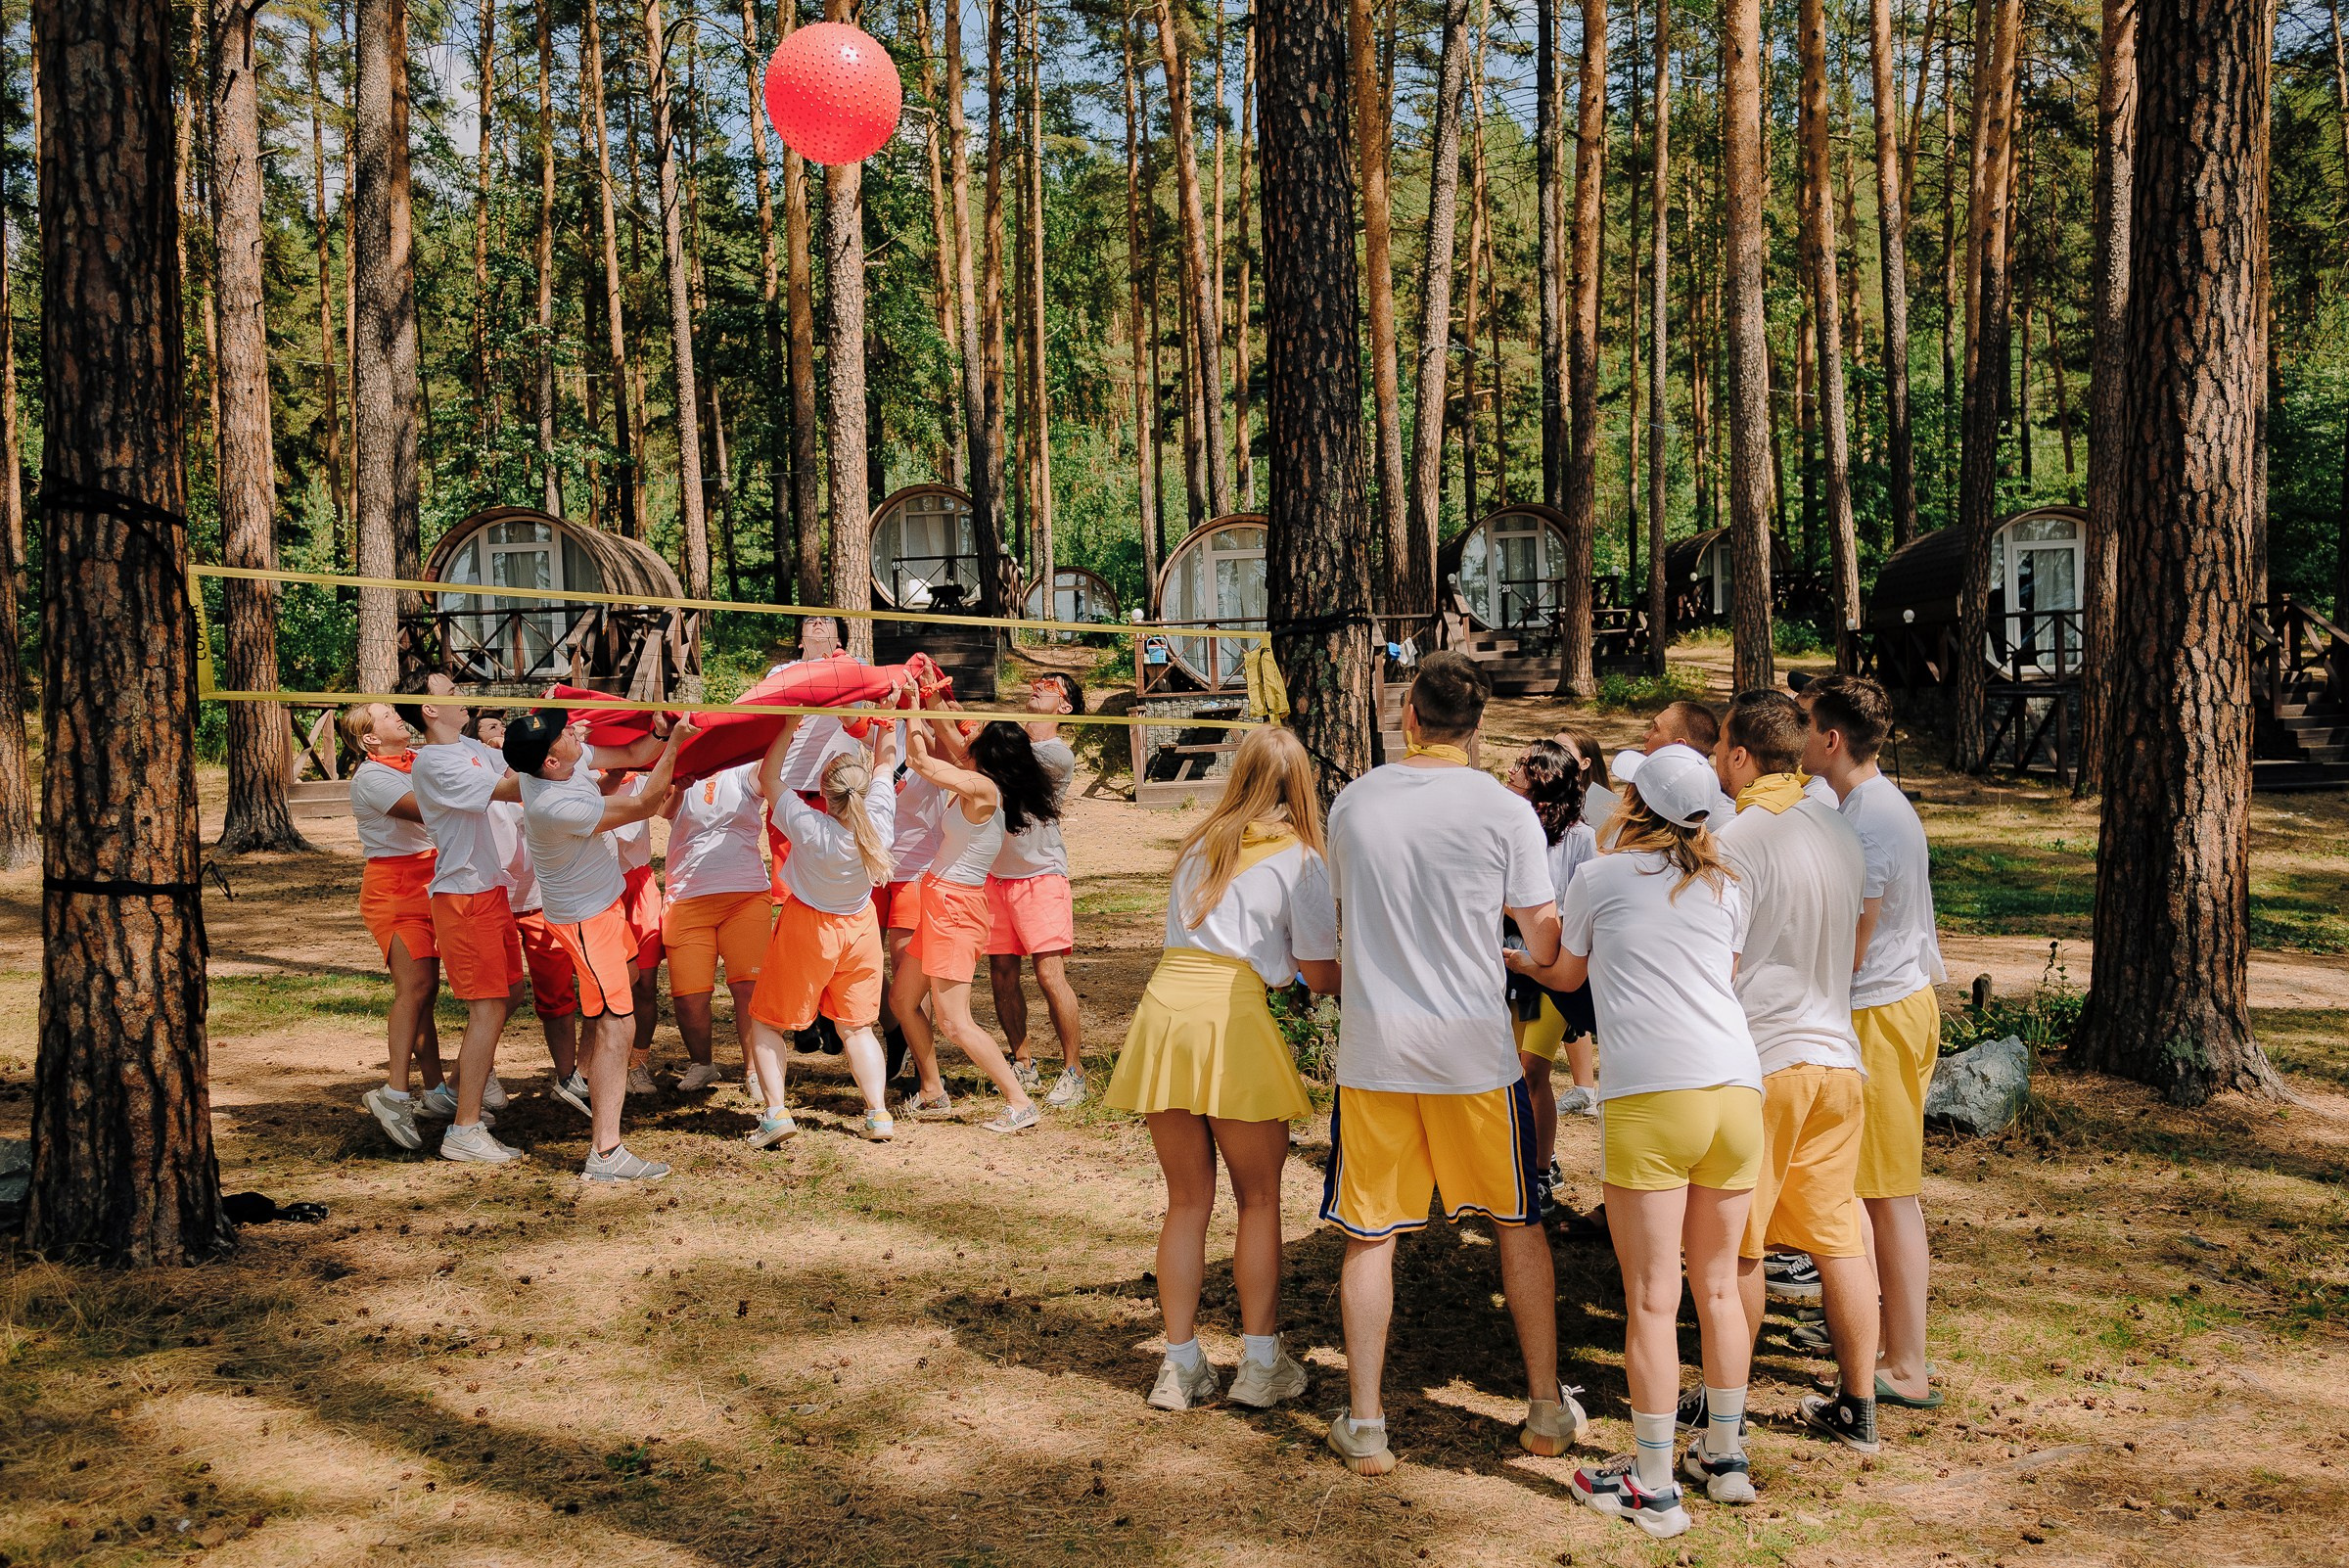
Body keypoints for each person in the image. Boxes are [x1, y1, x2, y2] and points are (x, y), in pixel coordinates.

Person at [1319, 651, 1587, 1478]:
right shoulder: (1504, 811)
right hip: (1473, 1049)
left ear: (1409, 716)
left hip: (1376, 1050)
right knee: (1518, 1222)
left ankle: (1366, 1422)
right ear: (1477, 729)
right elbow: (1543, 936)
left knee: (1370, 1237)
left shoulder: (1354, 802)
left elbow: (1341, 911)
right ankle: (1544, 1407)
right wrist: (1517, 955)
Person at [1511, 742, 1760, 1542]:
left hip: (1655, 1093)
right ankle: (1724, 1455)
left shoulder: (1602, 875)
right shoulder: (1728, 881)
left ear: (1632, 802)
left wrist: (1512, 956)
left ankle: (1652, 1482)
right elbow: (1715, 973)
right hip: (1737, 1088)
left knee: (1654, 1297)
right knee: (1718, 1287)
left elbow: (1566, 972)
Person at [1106, 726, 1340, 1412]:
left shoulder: (1197, 847)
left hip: (1165, 1013)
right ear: (1301, 787)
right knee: (1259, 1200)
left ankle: (1177, 1366)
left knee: (1186, 1201)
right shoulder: (1300, 859)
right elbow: (1320, 974)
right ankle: (1261, 1363)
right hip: (1232, 1016)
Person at [1707, 692, 1882, 1473]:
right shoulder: (1840, 829)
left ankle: (1728, 1417)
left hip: (1767, 1056)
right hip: (1840, 1057)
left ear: (1741, 755)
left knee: (1740, 1246)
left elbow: (1722, 958)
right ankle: (1859, 1404)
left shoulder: (1735, 838)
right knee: (1839, 1240)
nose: (1716, 762)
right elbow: (1853, 941)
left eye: (1719, 749)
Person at [1800, 673, 1948, 1412]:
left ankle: (1908, 1363)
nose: (1796, 740)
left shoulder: (1870, 823)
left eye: (1804, 726)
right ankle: (1876, 1333)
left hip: (1883, 1014)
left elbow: (1850, 948)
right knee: (1865, 1188)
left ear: (1831, 739)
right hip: (1883, 1009)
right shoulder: (1863, 807)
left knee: (1888, 1196)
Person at [502, 709, 699, 1181]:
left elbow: (634, 755)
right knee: (619, 1023)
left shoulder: (564, 762)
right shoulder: (552, 803)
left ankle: (582, 1078)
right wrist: (679, 745)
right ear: (549, 762)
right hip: (585, 919)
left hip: (604, 905)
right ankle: (606, 1153)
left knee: (624, 986)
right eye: (564, 733)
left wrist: (658, 734)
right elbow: (646, 803)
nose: (574, 731)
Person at [741, 712, 902, 1144]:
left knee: (766, 1022)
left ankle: (776, 1114)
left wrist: (790, 723)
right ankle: (879, 1116)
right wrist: (888, 718)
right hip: (860, 927)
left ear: (825, 797)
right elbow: (887, 761)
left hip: (809, 926)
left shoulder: (811, 827)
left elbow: (766, 777)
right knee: (858, 1028)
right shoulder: (880, 821)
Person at [403, 676, 535, 1163]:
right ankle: (463, 1130)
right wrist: (550, 743)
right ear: (428, 709)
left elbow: (518, 766)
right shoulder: (434, 762)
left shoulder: (466, 746)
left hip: (490, 888)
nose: (461, 694)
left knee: (511, 994)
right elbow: (512, 785)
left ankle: (461, 1090)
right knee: (487, 1006)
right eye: (448, 690)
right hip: (463, 897)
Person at [897, 719, 1043, 1132]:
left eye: (976, 734)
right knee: (903, 1001)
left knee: (955, 1022)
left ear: (990, 750)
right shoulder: (978, 783)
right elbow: (934, 750)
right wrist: (922, 709)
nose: (968, 736)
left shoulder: (983, 789)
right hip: (940, 904)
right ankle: (932, 1093)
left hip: (956, 910)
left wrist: (910, 709)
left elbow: (919, 762)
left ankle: (1019, 1101)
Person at [345, 702, 450, 1149]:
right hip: (394, 887)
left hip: (431, 880)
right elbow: (432, 810)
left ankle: (437, 1089)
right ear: (370, 737)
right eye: (386, 716)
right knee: (415, 988)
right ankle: (394, 1093)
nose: (397, 718)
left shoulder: (416, 760)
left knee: (428, 988)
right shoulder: (371, 778)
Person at [472, 713, 587, 1119]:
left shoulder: (537, 771)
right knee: (497, 996)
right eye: (489, 728)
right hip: (493, 897)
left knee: (557, 993)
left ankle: (568, 1075)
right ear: (476, 741)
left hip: (538, 897)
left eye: (504, 728)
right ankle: (480, 1073)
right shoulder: (478, 771)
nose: (499, 732)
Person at [1501, 739, 1598, 1215]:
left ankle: (1539, 1172)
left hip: (1556, 970)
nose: (1513, 769)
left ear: (1545, 782)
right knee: (1515, 1069)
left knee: (1533, 1066)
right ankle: (1527, 1159)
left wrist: (1528, 913)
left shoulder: (1581, 837)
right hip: (1513, 967)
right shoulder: (1505, 827)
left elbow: (1580, 908)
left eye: (1525, 765)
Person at [988, 673, 1086, 1107]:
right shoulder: (1010, 743)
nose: (1037, 686)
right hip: (995, 877)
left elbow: (995, 762)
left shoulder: (1057, 754)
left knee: (1049, 975)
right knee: (1002, 974)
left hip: (1042, 875)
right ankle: (1022, 1063)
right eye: (1036, 681)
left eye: (1050, 684)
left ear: (1064, 707)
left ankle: (1073, 1072)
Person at [660, 761, 774, 1095]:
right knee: (689, 998)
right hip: (687, 898)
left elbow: (768, 774)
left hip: (746, 896)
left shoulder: (743, 772)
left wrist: (785, 725)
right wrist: (680, 784)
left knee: (748, 989)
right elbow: (658, 808)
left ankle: (755, 1070)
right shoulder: (679, 770)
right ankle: (703, 1064)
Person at [611, 772, 666, 1092]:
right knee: (611, 986)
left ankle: (637, 1062)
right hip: (604, 888)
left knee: (645, 984)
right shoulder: (586, 775)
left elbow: (666, 804)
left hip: (641, 887)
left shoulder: (645, 778)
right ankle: (605, 1064)